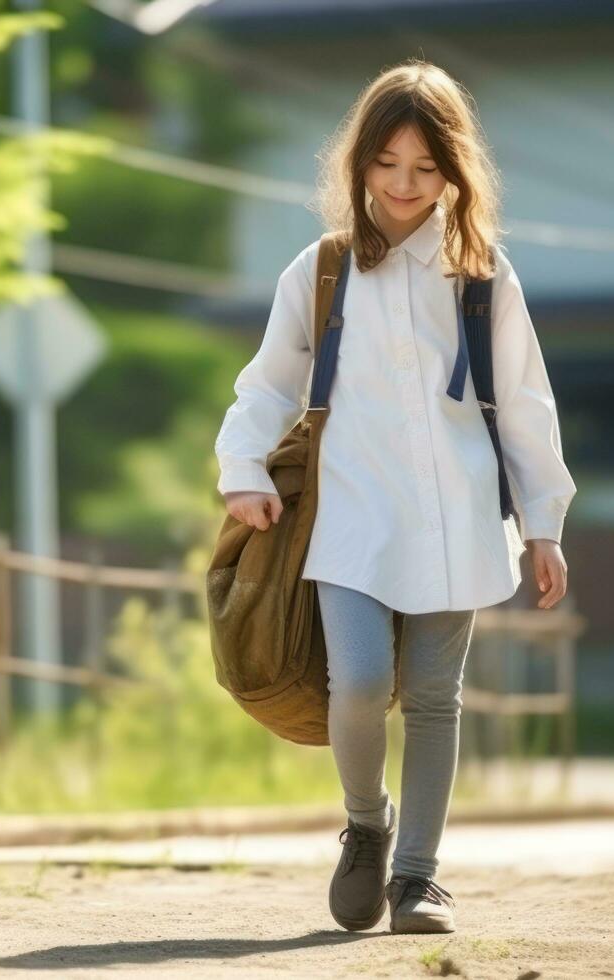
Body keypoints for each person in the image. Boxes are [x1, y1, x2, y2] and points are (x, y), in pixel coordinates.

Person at [212, 58, 576, 935]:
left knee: (436, 697)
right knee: (361, 679)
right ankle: (366, 828)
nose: (404, 186)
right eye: (386, 165)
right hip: (348, 516)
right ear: (359, 164)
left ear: (453, 170)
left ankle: (418, 878)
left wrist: (544, 525)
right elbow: (269, 384)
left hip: (458, 516)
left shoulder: (483, 274)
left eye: (424, 167)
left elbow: (524, 403)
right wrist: (243, 469)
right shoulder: (325, 269)